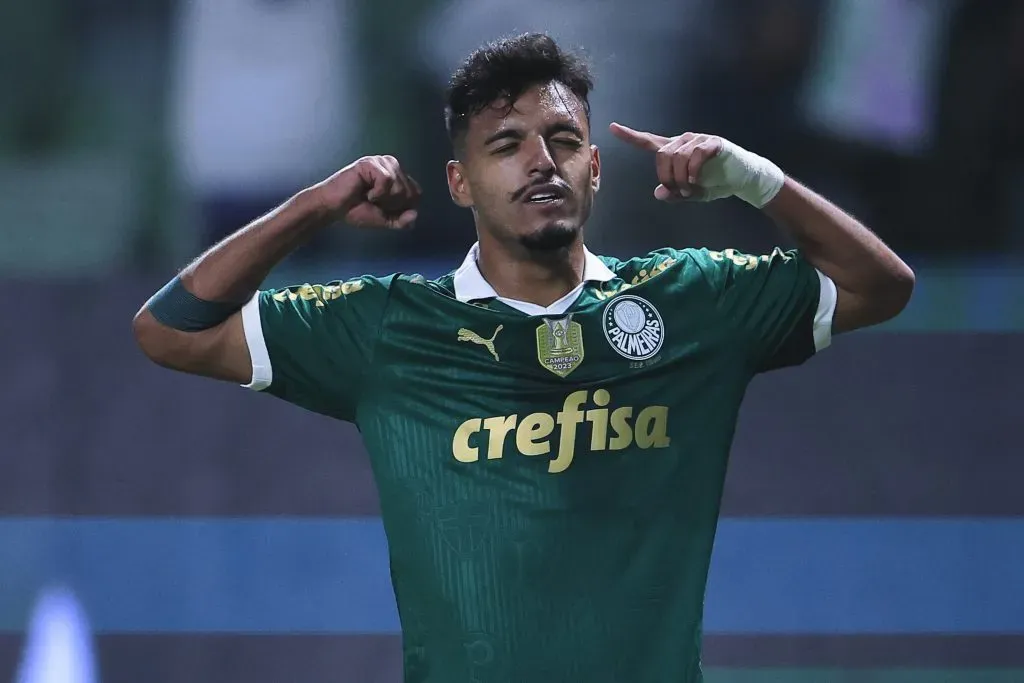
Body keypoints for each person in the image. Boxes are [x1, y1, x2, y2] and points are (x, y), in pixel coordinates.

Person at [133, 33, 914, 683]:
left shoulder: (690, 300)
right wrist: (318, 203)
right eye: (506, 146)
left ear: (595, 170)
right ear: (460, 183)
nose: (541, 162)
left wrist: (752, 178)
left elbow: (880, 286)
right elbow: (173, 329)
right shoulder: (391, 324)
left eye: (565, 141)